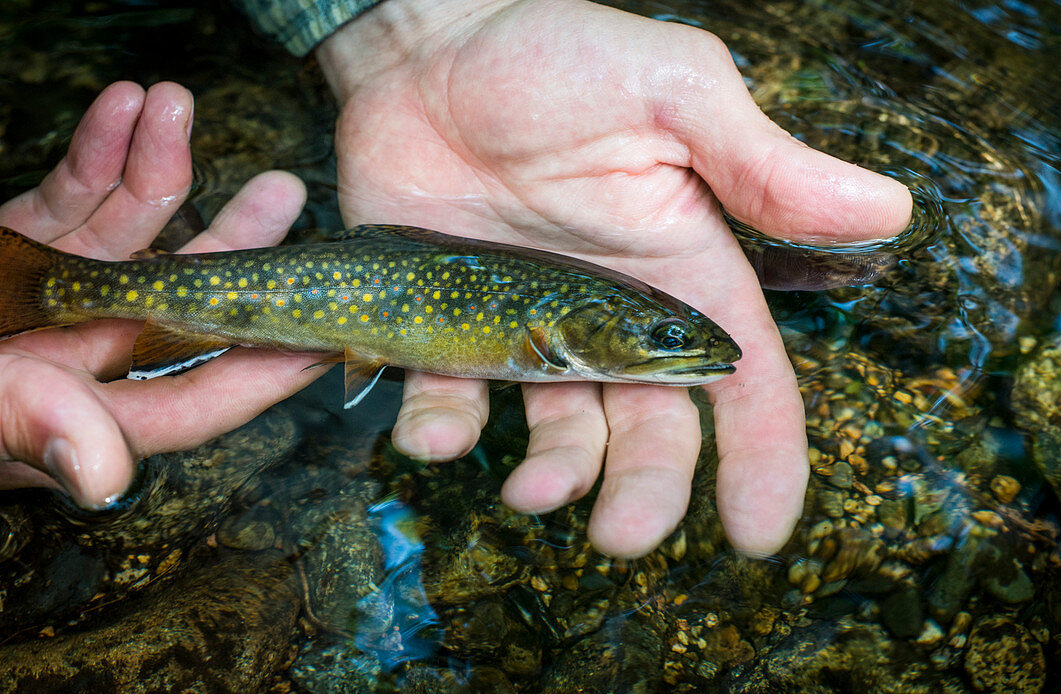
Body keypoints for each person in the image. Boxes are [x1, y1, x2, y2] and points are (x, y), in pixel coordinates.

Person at [0, 0, 912, 558]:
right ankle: (51, 290)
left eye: (669, 338)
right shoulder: (545, 325)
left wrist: (421, 27)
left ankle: (60, 291)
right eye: (667, 336)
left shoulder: (564, 306)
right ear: (566, 331)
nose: (684, 348)